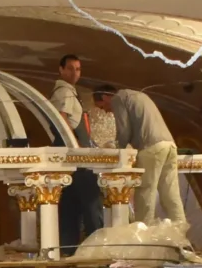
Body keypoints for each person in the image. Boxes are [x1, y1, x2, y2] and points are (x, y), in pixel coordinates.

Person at [99, 85, 185, 227]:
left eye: (102, 106)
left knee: (145, 193)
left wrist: (117, 149)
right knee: (170, 194)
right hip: (169, 145)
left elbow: (124, 131)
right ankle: (181, 231)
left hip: (151, 147)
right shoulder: (139, 95)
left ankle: (144, 235)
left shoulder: (118, 98)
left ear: (104, 97)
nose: (106, 111)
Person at [45, 54, 103, 248]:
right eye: (70, 68)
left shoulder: (69, 92)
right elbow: (60, 120)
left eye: (78, 69)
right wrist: (77, 146)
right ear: (61, 70)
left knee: (70, 205)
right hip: (75, 156)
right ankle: (97, 250)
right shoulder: (64, 92)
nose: (74, 73)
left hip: (70, 156)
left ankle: (69, 249)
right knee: (91, 202)